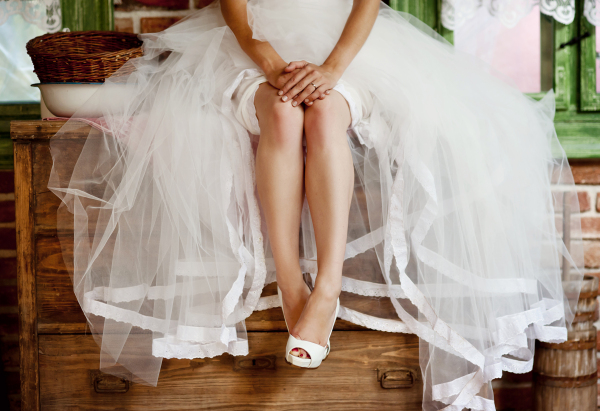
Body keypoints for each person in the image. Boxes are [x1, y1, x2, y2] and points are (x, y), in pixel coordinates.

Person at [48, 1, 584, 409]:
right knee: (281, 113)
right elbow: (236, 9)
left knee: (326, 112)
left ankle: (327, 284)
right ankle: (290, 283)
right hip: (247, 44)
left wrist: (330, 69)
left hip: (351, 46)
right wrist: (270, 61)